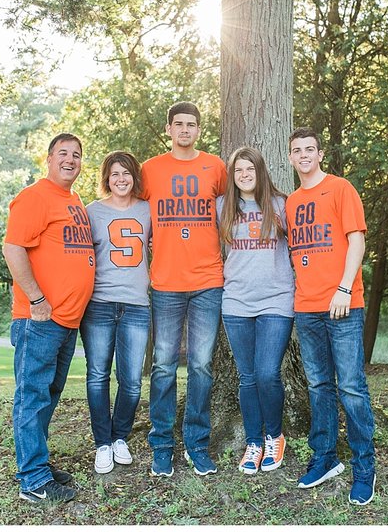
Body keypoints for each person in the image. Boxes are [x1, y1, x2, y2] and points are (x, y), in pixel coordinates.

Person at [285, 127, 376, 506]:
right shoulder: (291, 202)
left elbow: (357, 239)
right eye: (297, 150)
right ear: (290, 158)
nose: (304, 155)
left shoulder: (341, 189)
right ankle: (325, 458)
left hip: (342, 304)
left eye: (310, 149)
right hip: (306, 308)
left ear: (320, 154)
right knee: (319, 386)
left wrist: (343, 288)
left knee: (351, 387)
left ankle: (365, 467)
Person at [2, 133, 95, 504]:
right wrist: (37, 298)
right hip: (39, 318)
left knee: (49, 395)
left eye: (76, 154)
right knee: (32, 396)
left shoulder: (74, 201)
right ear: (49, 158)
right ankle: (33, 479)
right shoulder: (35, 197)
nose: (70, 159)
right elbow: (13, 248)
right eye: (63, 154)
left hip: (67, 321)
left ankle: (34, 461)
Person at [141, 101, 227, 477]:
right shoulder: (150, 170)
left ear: (198, 130)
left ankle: (196, 443)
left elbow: (231, 212)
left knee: (201, 365)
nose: (185, 130)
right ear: (169, 128)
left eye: (191, 124)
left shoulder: (216, 167)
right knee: (162, 366)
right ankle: (161, 444)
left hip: (209, 281)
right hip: (166, 283)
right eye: (179, 124)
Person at [216, 146, 295, 475]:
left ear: (260, 171)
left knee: (267, 373)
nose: (244, 175)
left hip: (277, 299)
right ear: (232, 176)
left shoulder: (281, 204)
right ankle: (254, 442)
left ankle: (274, 436)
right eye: (238, 171)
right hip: (236, 301)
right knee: (247, 378)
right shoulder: (222, 207)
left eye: (250, 169)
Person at [80, 151, 152, 474]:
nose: (121, 179)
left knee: (132, 380)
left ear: (134, 176)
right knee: (97, 375)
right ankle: (102, 442)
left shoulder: (148, 210)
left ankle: (120, 435)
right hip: (99, 304)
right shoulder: (91, 212)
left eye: (126, 173)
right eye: (114, 174)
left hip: (137, 304)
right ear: (106, 179)